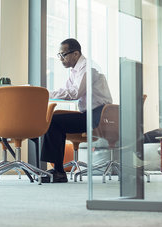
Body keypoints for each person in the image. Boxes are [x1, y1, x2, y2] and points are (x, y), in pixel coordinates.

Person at [40, 38, 112, 183]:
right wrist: (47, 93)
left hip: (99, 115)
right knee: (54, 120)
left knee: (54, 121)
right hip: (91, 113)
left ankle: (58, 171)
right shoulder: (75, 70)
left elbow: (74, 93)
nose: (60, 59)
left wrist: (45, 94)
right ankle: (57, 169)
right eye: (59, 55)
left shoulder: (87, 68)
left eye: (63, 55)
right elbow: (68, 90)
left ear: (76, 54)